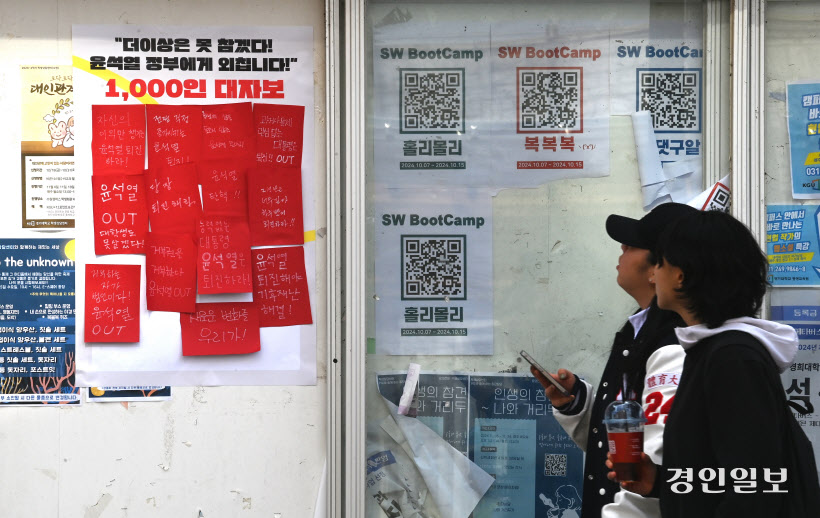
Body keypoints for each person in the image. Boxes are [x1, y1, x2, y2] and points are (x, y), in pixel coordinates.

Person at [607, 209, 799, 517]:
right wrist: (658, 481)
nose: (654, 274)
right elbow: (717, 473)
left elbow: (753, 490)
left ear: (681, 275)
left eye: (660, 263)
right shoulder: (710, 350)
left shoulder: (733, 358)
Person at [531, 202, 697, 518]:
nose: (621, 249)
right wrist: (575, 403)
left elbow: (653, 461)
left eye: (632, 245)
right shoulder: (639, 329)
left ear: (659, 268)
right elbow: (621, 444)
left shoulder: (675, 343)